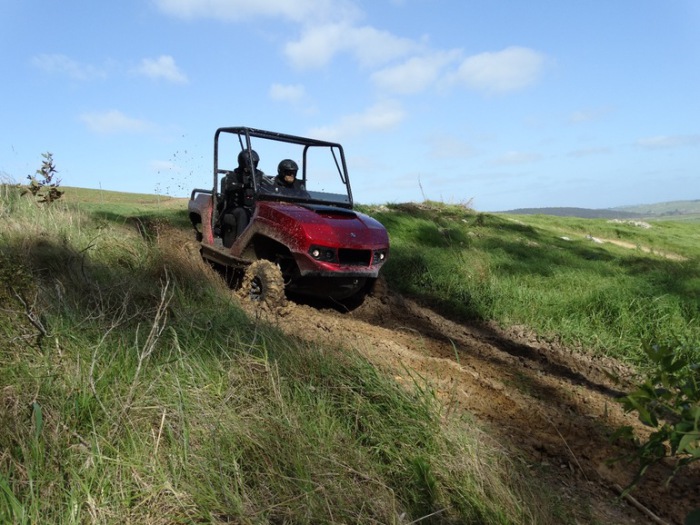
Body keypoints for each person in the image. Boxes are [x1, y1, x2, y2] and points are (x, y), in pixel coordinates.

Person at [219, 149, 264, 246]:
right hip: (235, 208)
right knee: (242, 213)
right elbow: (229, 186)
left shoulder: (259, 176)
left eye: (255, 164)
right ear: (243, 162)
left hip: (254, 207)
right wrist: (243, 185)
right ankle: (240, 243)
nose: (253, 166)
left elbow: (268, 187)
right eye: (251, 163)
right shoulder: (233, 175)